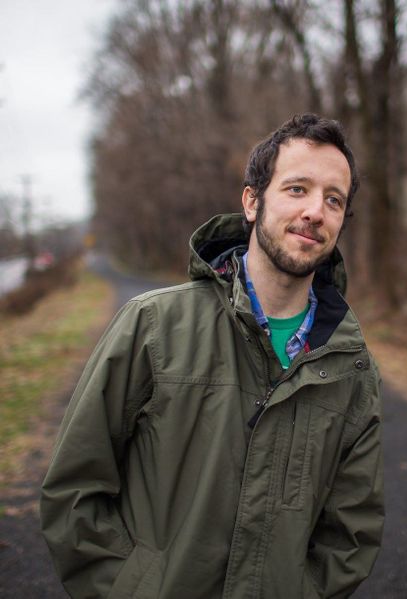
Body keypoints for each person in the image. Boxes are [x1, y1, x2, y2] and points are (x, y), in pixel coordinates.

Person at [40, 113, 384, 599]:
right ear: (252, 201)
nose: (315, 211)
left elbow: (351, 535)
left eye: (334, 199)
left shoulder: (352, 367)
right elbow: (75, 489)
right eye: (297, 189)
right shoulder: (152, 325)